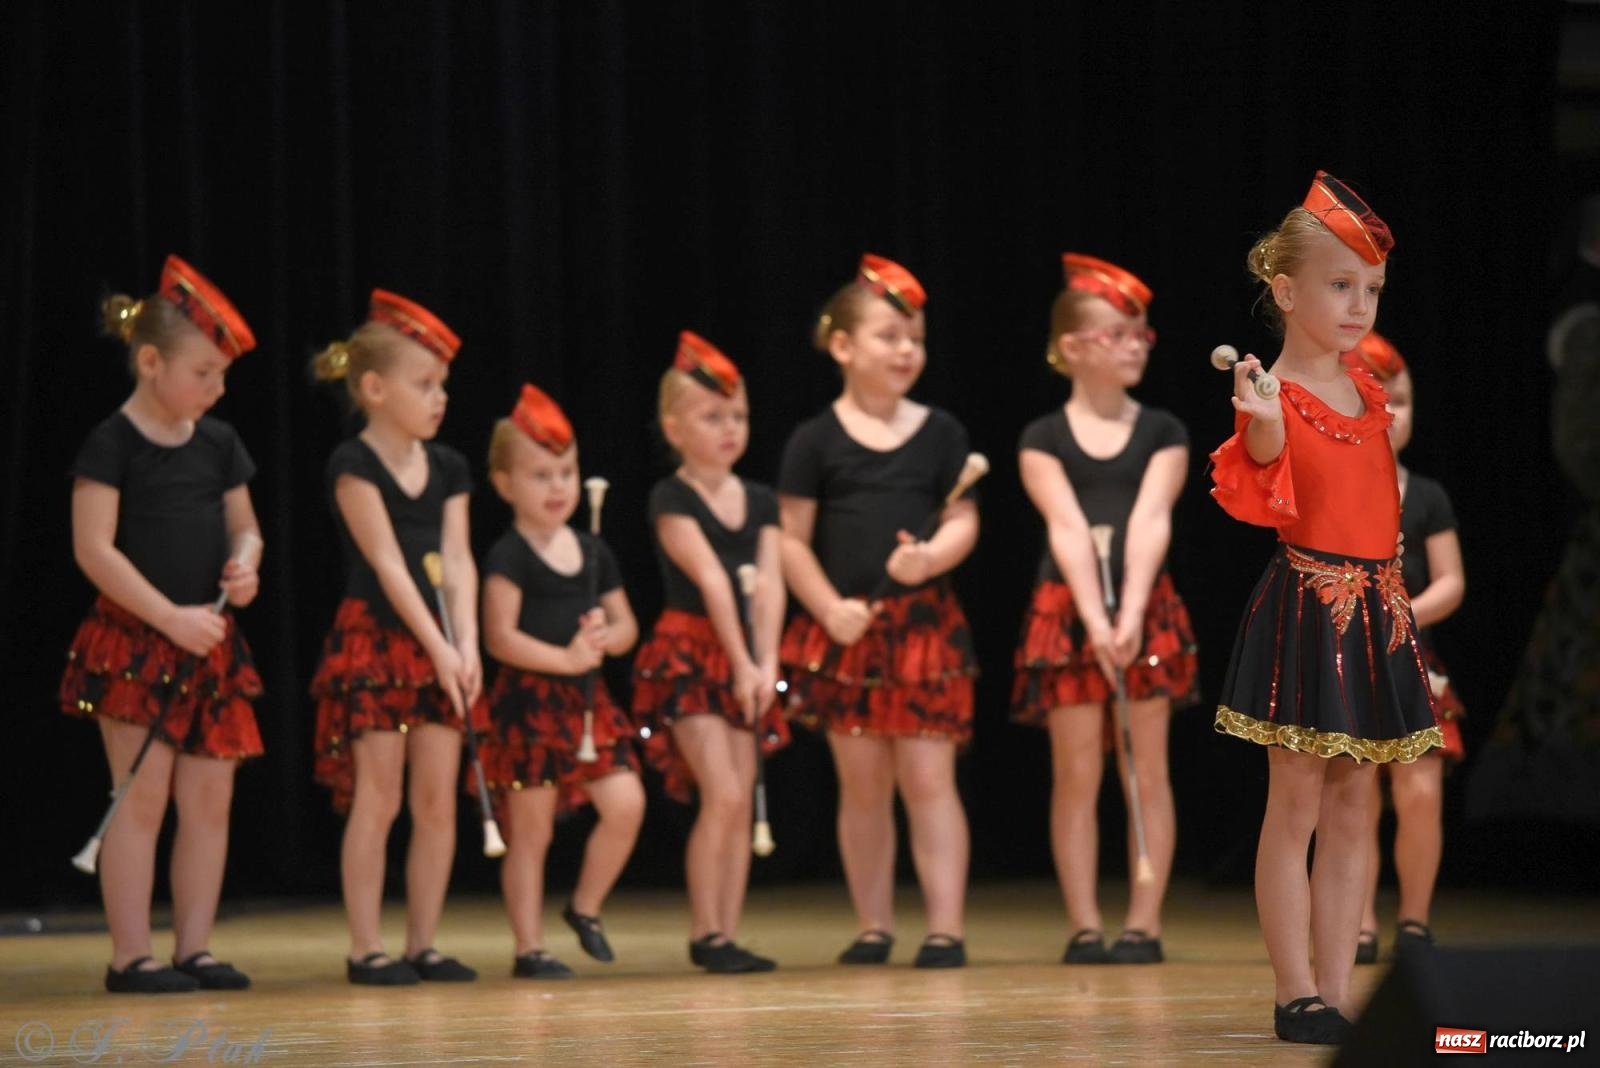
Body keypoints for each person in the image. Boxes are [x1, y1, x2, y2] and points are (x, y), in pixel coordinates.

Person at [1210, 172, 1444, 1044]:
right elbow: (1263, 461)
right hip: (1312, 604)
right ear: (1285, 291)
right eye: (1340, 285)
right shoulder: (1274, 393)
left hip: (1378, 608)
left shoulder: (1370, 392)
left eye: (1371, 289)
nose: (1359, 305)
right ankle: (1295, 989)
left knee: (1356, 807)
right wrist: (1260, 415)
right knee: (1297, 802)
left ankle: (1338, 993)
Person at [61, 255, 264, 993]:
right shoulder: (112, 444)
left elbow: (247, 530)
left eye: (221, 375)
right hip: (137, 644)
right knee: (139, 797)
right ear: (150, 362)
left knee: (211, 800)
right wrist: (166, 618)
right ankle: (130, 956)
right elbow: (93, 548)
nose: (217, 389)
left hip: (206, 642)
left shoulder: (219, 445)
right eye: (204, 372)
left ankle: (195, 948)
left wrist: (245, 565)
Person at [778, 253, 979, 969]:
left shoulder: (940, 433)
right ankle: (873, 924)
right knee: (862, 786)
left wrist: (931, 559)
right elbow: (792, 542)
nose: (906, 351)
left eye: (915, 339)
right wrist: (827, 607)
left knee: (928, 780)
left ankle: (945, 928)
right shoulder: (815, 439)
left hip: (922, 633)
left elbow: (963, 521)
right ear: (842, 347)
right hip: (849, 633)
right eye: (890, 335)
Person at [1013, 253, 1198, 965]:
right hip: (1068, 611)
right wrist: (1094, 618)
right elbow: (1065, 528)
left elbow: (1152, 521)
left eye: (1141, 334)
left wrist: (1130, 616)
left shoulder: (1163, 431)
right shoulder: (1042, 438)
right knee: (1077, 771)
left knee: (1145, 768)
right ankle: (1085, 921)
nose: (1134, 346)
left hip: (1145, 609)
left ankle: (1143, 921)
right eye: (1118, 333)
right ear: (1070, 349)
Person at [309, 290, 483, 986]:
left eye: (442, 385)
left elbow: (460, 560)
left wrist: (465, 644)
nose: (439, 398)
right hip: (379, 642)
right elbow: (385, 562)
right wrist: (438, 647)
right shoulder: (353, 463)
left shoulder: (450, 468)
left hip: (441, 644)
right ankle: (365, 947)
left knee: (436, 800)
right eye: (424, 384)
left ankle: (423, 943)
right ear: (374, 389)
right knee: (378, 797)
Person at [633, 331, 789, 973]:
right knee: (722, 793)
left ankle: (728, 929)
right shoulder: (671, 498)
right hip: (691, 655)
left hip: (748, 654)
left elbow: (772, 582)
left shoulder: (761, 500)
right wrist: (745, 658)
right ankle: (706, 932)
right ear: (674, 427)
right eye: (712, 417)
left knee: (742, 788)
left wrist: (769, 662)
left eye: (739, 416)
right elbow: (715, 581)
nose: (730, 429)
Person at [479, 384, 643, 978]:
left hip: (587, 703)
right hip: (530, 704)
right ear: (505, 485)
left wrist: (608, 637)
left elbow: (628, 625)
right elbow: (500, 637)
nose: (558, 488)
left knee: (626, 803)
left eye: (566, 473)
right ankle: (529, 947)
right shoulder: (509, 554)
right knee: (532, 831)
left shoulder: (594, 549)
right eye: (541, 475)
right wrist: (566, 658)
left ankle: (585, 906)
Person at [1345, 332, 1466, 964]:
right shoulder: (1330, 493)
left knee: (1418, 796)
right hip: (1347, 667)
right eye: (1377, 399)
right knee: (1354, 798)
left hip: (1413, 664)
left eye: (1404, 401)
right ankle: (1356, 921)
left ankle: (1414, 921)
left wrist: (1399, 618)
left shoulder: (1426, 496)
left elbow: (1452, 582)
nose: (1393, 414)